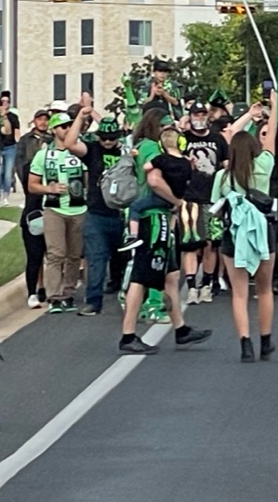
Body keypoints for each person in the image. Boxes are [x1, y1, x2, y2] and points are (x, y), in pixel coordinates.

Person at [119, 120, 211, 354]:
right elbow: (153, 180)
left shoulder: (162, 156)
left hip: (160, 219)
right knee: (141, 277)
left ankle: (180, 329)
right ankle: (128, 335)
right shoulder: (159, 155)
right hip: (153, 220)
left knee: (171, 274)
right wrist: (176, 201)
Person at [212, 94, 278, 362]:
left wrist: (243, 122)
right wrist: (273, 108)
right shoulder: (263, 166)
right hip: (263, 232)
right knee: (264, 289)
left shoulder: (223, 176)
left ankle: (245, 344)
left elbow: (215, 207)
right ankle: (266, 342)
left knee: (239, 294)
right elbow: (271, 134)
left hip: (234, 234)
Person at [29, 112, 89, 313]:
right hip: (54, 209)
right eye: (63, 126)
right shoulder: (43, 155)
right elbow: (32, 185)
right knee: (56, 254)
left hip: (79, 209)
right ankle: (54, 296)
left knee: (74, 255)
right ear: (54, 130)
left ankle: (68, 293)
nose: (67, 129)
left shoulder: (80, 152)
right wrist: (50, 189)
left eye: (70, 126)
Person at [77, 115, 127, 315]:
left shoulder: (126, 150)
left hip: (121, 213)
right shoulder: (92, 150)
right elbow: (71, 143)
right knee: (96, 258)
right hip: (97, 213)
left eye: (111, 138)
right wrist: (81, 115)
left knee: (121, 258)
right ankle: (93, 301)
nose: (107, 141)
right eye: (104, 137)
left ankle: (122, 288)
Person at [179, 102, 228, 305]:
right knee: (191, 244)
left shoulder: (218, 139)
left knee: (211, 244)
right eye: (195, 114)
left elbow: (226, 165)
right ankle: (191, 286)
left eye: (202, 114)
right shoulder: (184, 139)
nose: (199, 118)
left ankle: (206, 284)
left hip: (213, 198)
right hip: (189, 198)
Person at [16, 109, 50, 308]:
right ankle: (34, 290)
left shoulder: (51, 139)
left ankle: (45, 286)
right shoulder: (26, 141)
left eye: (46, 119)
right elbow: (20, 164)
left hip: (51, 201)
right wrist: (30, 184)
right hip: (33, 199)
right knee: (35, 251)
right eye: (40, 119)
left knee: (52, 251)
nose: (43, 122)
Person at [0, 91, 19, 206]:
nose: (5, 104)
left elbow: (10, 131)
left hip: (10, 146)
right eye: (3, 101)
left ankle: (5, 195)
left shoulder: (12, 117)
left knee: (8, 173)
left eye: (7, 101)